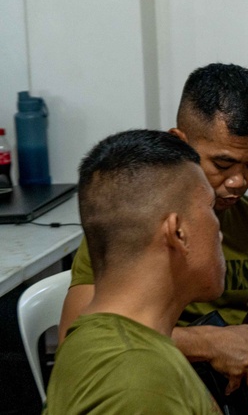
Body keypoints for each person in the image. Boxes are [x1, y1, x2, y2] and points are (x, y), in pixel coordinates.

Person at [59, 64, 248, 414]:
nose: (238, 182)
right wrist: (208, 343)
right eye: (222, 165)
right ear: (176, 233)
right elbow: (89, 337)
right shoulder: (130, 225)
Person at [45, 129, 224, 414]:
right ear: (178, 233)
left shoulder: (93, 337)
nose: (220, 231)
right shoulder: (139, 382)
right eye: (211, 208)